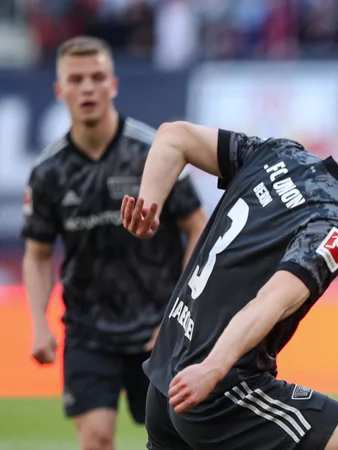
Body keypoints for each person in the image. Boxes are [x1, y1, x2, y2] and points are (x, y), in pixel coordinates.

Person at [120, 100, 338, 449]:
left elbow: (174, 136)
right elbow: (272, 300)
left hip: (166, 382)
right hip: (223, 393)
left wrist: (148, 205)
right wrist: (213, 368)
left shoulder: (278, 155)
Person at [21, 36, 207, 450]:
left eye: (97, 77)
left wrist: (180, 313)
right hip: (88, 331)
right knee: (96, 439)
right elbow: (37, 255)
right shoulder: (48, 171)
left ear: (113, 85)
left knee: (177, 441)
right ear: (59, 90)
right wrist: (38, 322)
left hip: (158, 331)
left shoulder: (155, 154)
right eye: (77, 79)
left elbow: (200, 228)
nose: (87, 87)